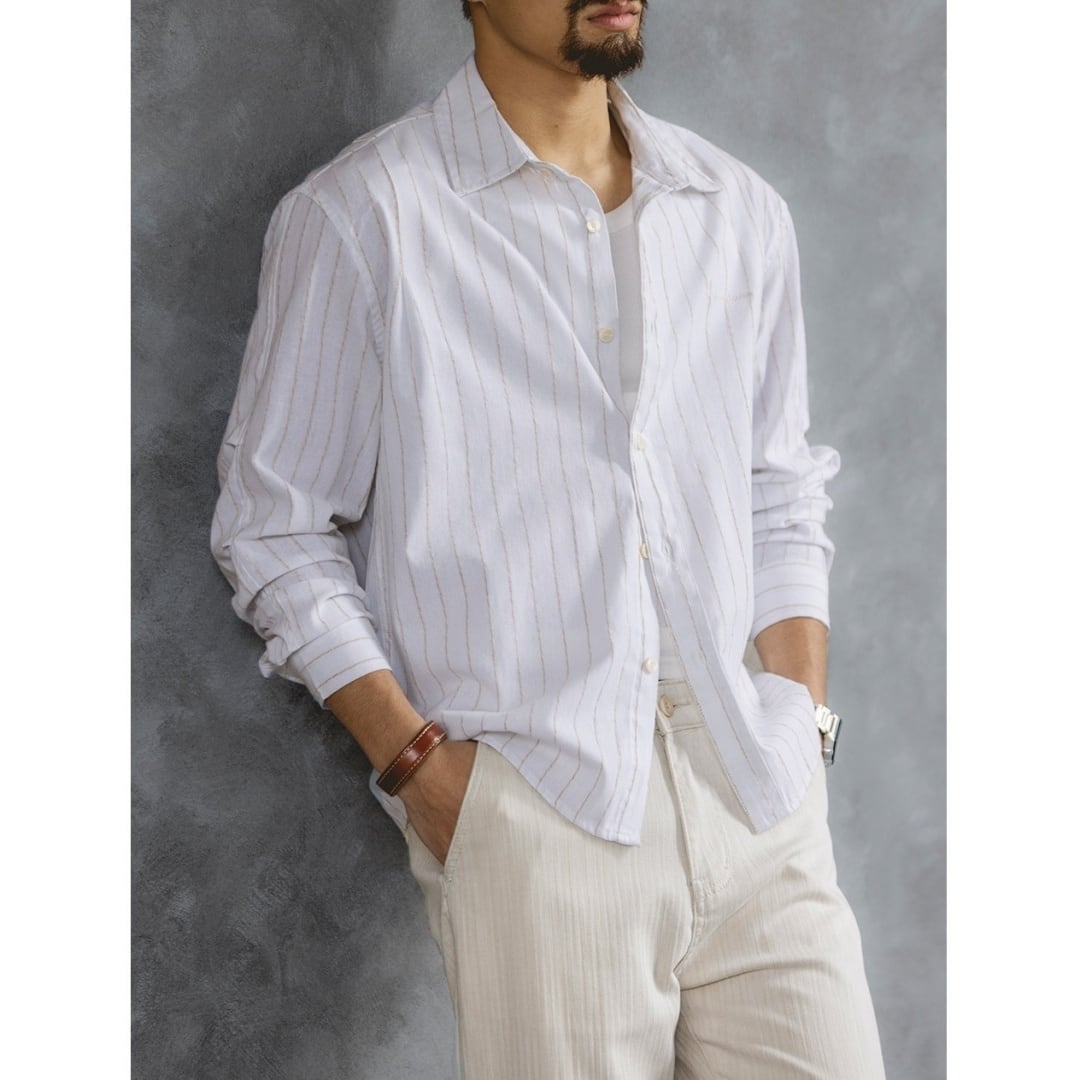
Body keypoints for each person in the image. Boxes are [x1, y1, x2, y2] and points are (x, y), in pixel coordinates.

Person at [211, 1, 888, 1075]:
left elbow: (780, 491)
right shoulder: (364, 216)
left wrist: (801, 722)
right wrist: (425, 773)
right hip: (540, 816)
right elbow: (273, 528)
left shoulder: (736, 209)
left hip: (757, 794)